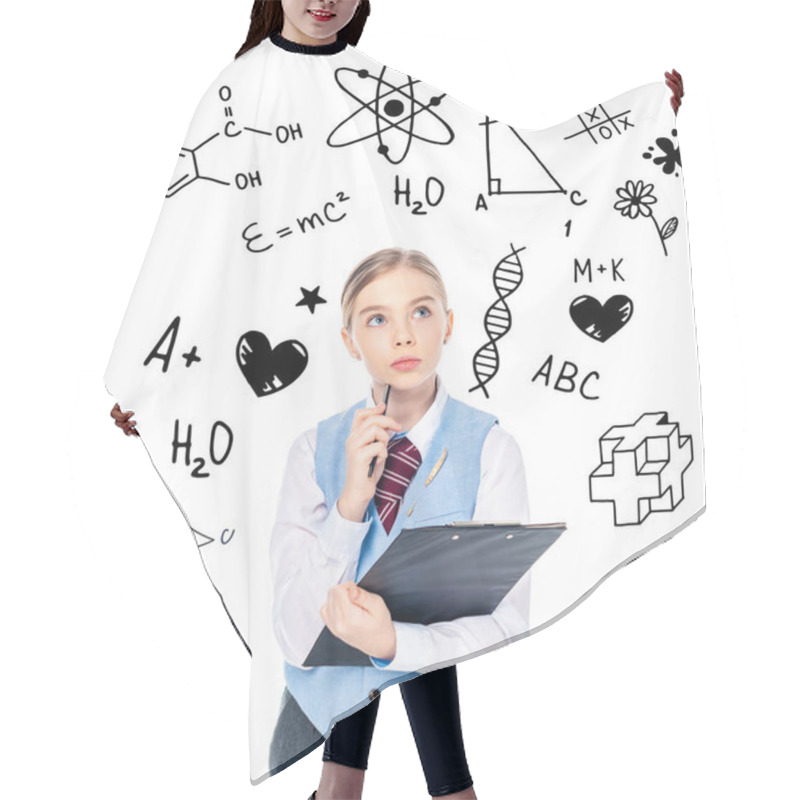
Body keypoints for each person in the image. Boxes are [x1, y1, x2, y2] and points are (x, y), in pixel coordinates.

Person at [107, 4, 687, 797]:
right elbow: (193, 230)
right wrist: (147, 368)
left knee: (403, 570)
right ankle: (394, 786)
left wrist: (628, 128)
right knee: (339, 558)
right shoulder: (241, 89)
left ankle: (356, 786)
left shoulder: (372, 87)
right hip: (294, 357)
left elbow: (492, 170)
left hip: (383, 338)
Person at [269, 247, 531, 799]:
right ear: (349, 341)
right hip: (326, 674)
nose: (404, 336)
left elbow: (508, 615)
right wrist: (348, 507)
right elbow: (294, 636)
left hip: (433, 652)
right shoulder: (313, 451)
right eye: (378, 319)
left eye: (421, 312)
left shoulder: (490, 450)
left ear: (449, 324)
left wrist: (393, 641)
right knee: (340, 773)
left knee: (416, 646)